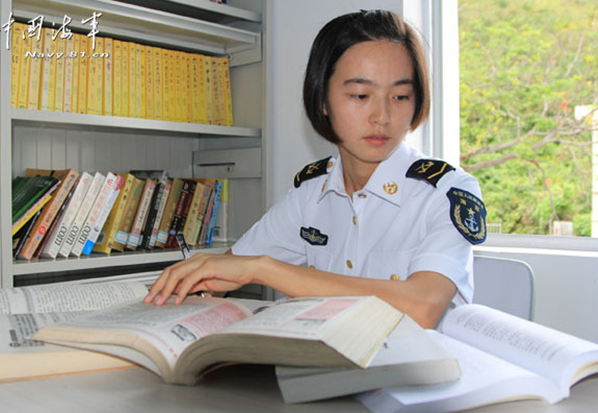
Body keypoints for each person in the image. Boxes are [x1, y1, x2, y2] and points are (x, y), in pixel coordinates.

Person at [144, 9, 486, 328]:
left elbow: (422, 307)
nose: (382, 117)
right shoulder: (312, 194)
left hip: (416, 371)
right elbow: (226, 271)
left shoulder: (446, 192)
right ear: (322, 99)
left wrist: (263, 269)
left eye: (400, 97)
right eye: (360, 96)